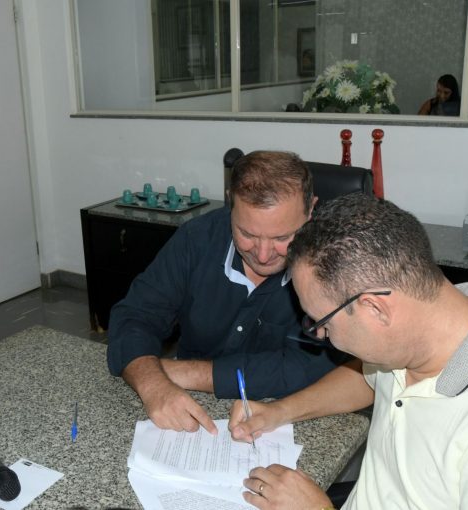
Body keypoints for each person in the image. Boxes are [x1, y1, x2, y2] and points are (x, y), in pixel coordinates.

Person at [228, 193, 468, 509]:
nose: (321, 334)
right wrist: (280, 412)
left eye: (323, 323)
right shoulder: (421, 325)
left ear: (375, 309)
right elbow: (369, 379)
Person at [107, 151, 341, 435]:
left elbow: (313, 366)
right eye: (248, 234)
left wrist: (187, 373)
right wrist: (153, 383)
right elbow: (135, 315)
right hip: (185, 401)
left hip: (290, 415)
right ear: (230, 202)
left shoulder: (333, 261)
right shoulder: (196, 239)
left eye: (282, 238)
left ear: (311, 210)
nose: (263, 255)